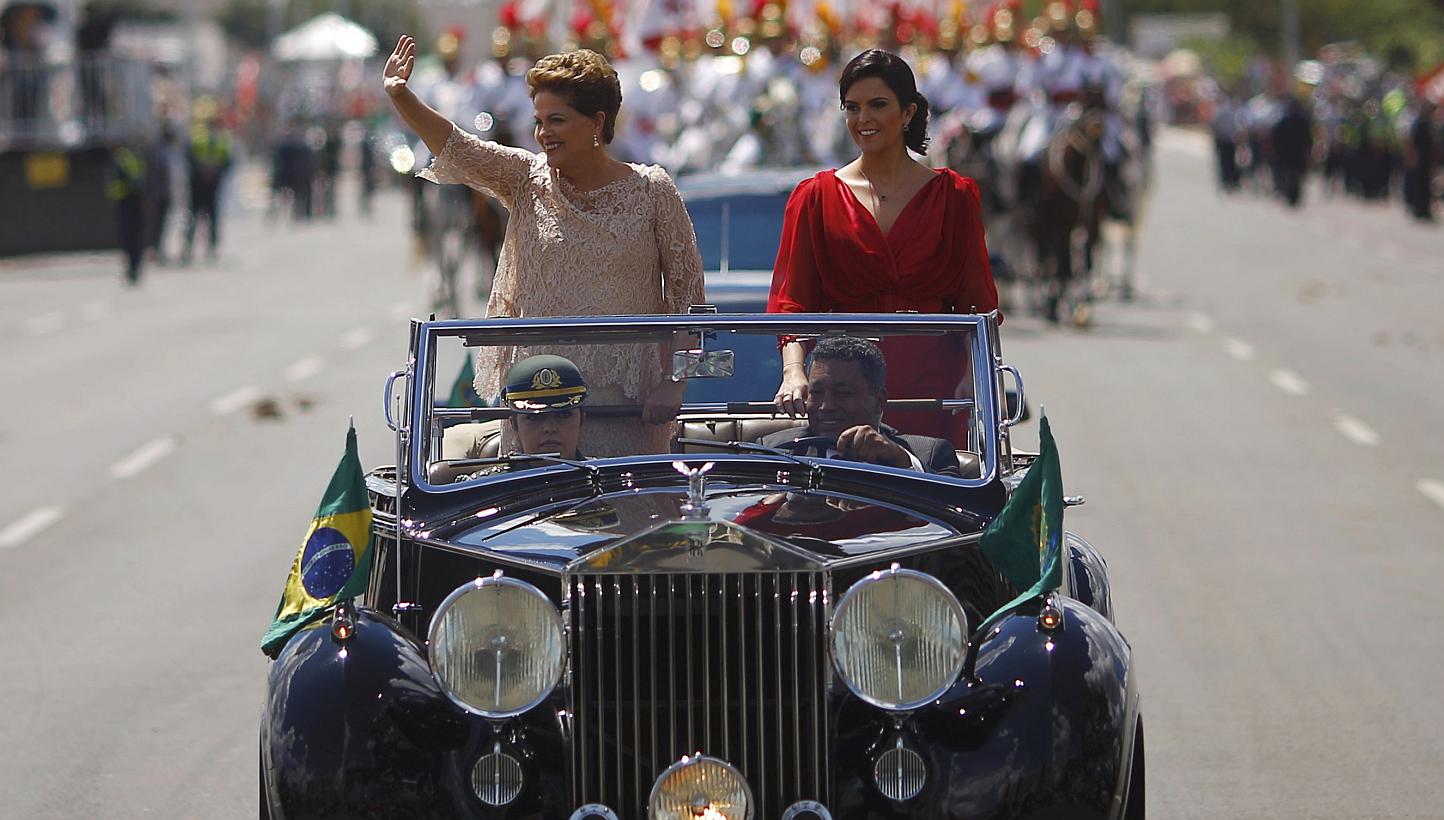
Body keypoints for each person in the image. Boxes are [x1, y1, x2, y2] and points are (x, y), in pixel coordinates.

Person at [382, 35, 704, 457]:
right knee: (537, 520)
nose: (542, 134)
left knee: (624, 519)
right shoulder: (525, 179)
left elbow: (689, 301)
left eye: (557, 120)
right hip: (537, 404)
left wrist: (674, 384)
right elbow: (458, 147)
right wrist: (401, 96)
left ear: (596, 122)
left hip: (624, 410)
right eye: (538, 121)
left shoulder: (652, 191)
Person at [768, 48, 998, 448]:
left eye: (878, 105)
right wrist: (793, 371)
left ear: (908, 113)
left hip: (934, 388)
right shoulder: (815, 196)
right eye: (852, 107)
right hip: (845, 388)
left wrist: (973, 379)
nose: (863, 119)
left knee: (930, 499)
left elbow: (977, 303)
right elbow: (792, 303)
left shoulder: (954, 196)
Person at [758, 337, 962, 477]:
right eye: (816, 393)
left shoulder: (930, 454)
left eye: (843, 393)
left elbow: (954, 516)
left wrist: (899, 460)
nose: (826, 406)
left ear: (879, 401)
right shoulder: (773, 450)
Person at [183, 100, 232, 262]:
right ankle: (189, 248)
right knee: (194, 216)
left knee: (211, 217)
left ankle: (211, 248)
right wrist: (203, 170)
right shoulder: (197, 137)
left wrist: (215, 172)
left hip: (212, 185)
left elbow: (228, 162)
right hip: (198, 184)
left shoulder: (221, 140)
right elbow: (188, 158)